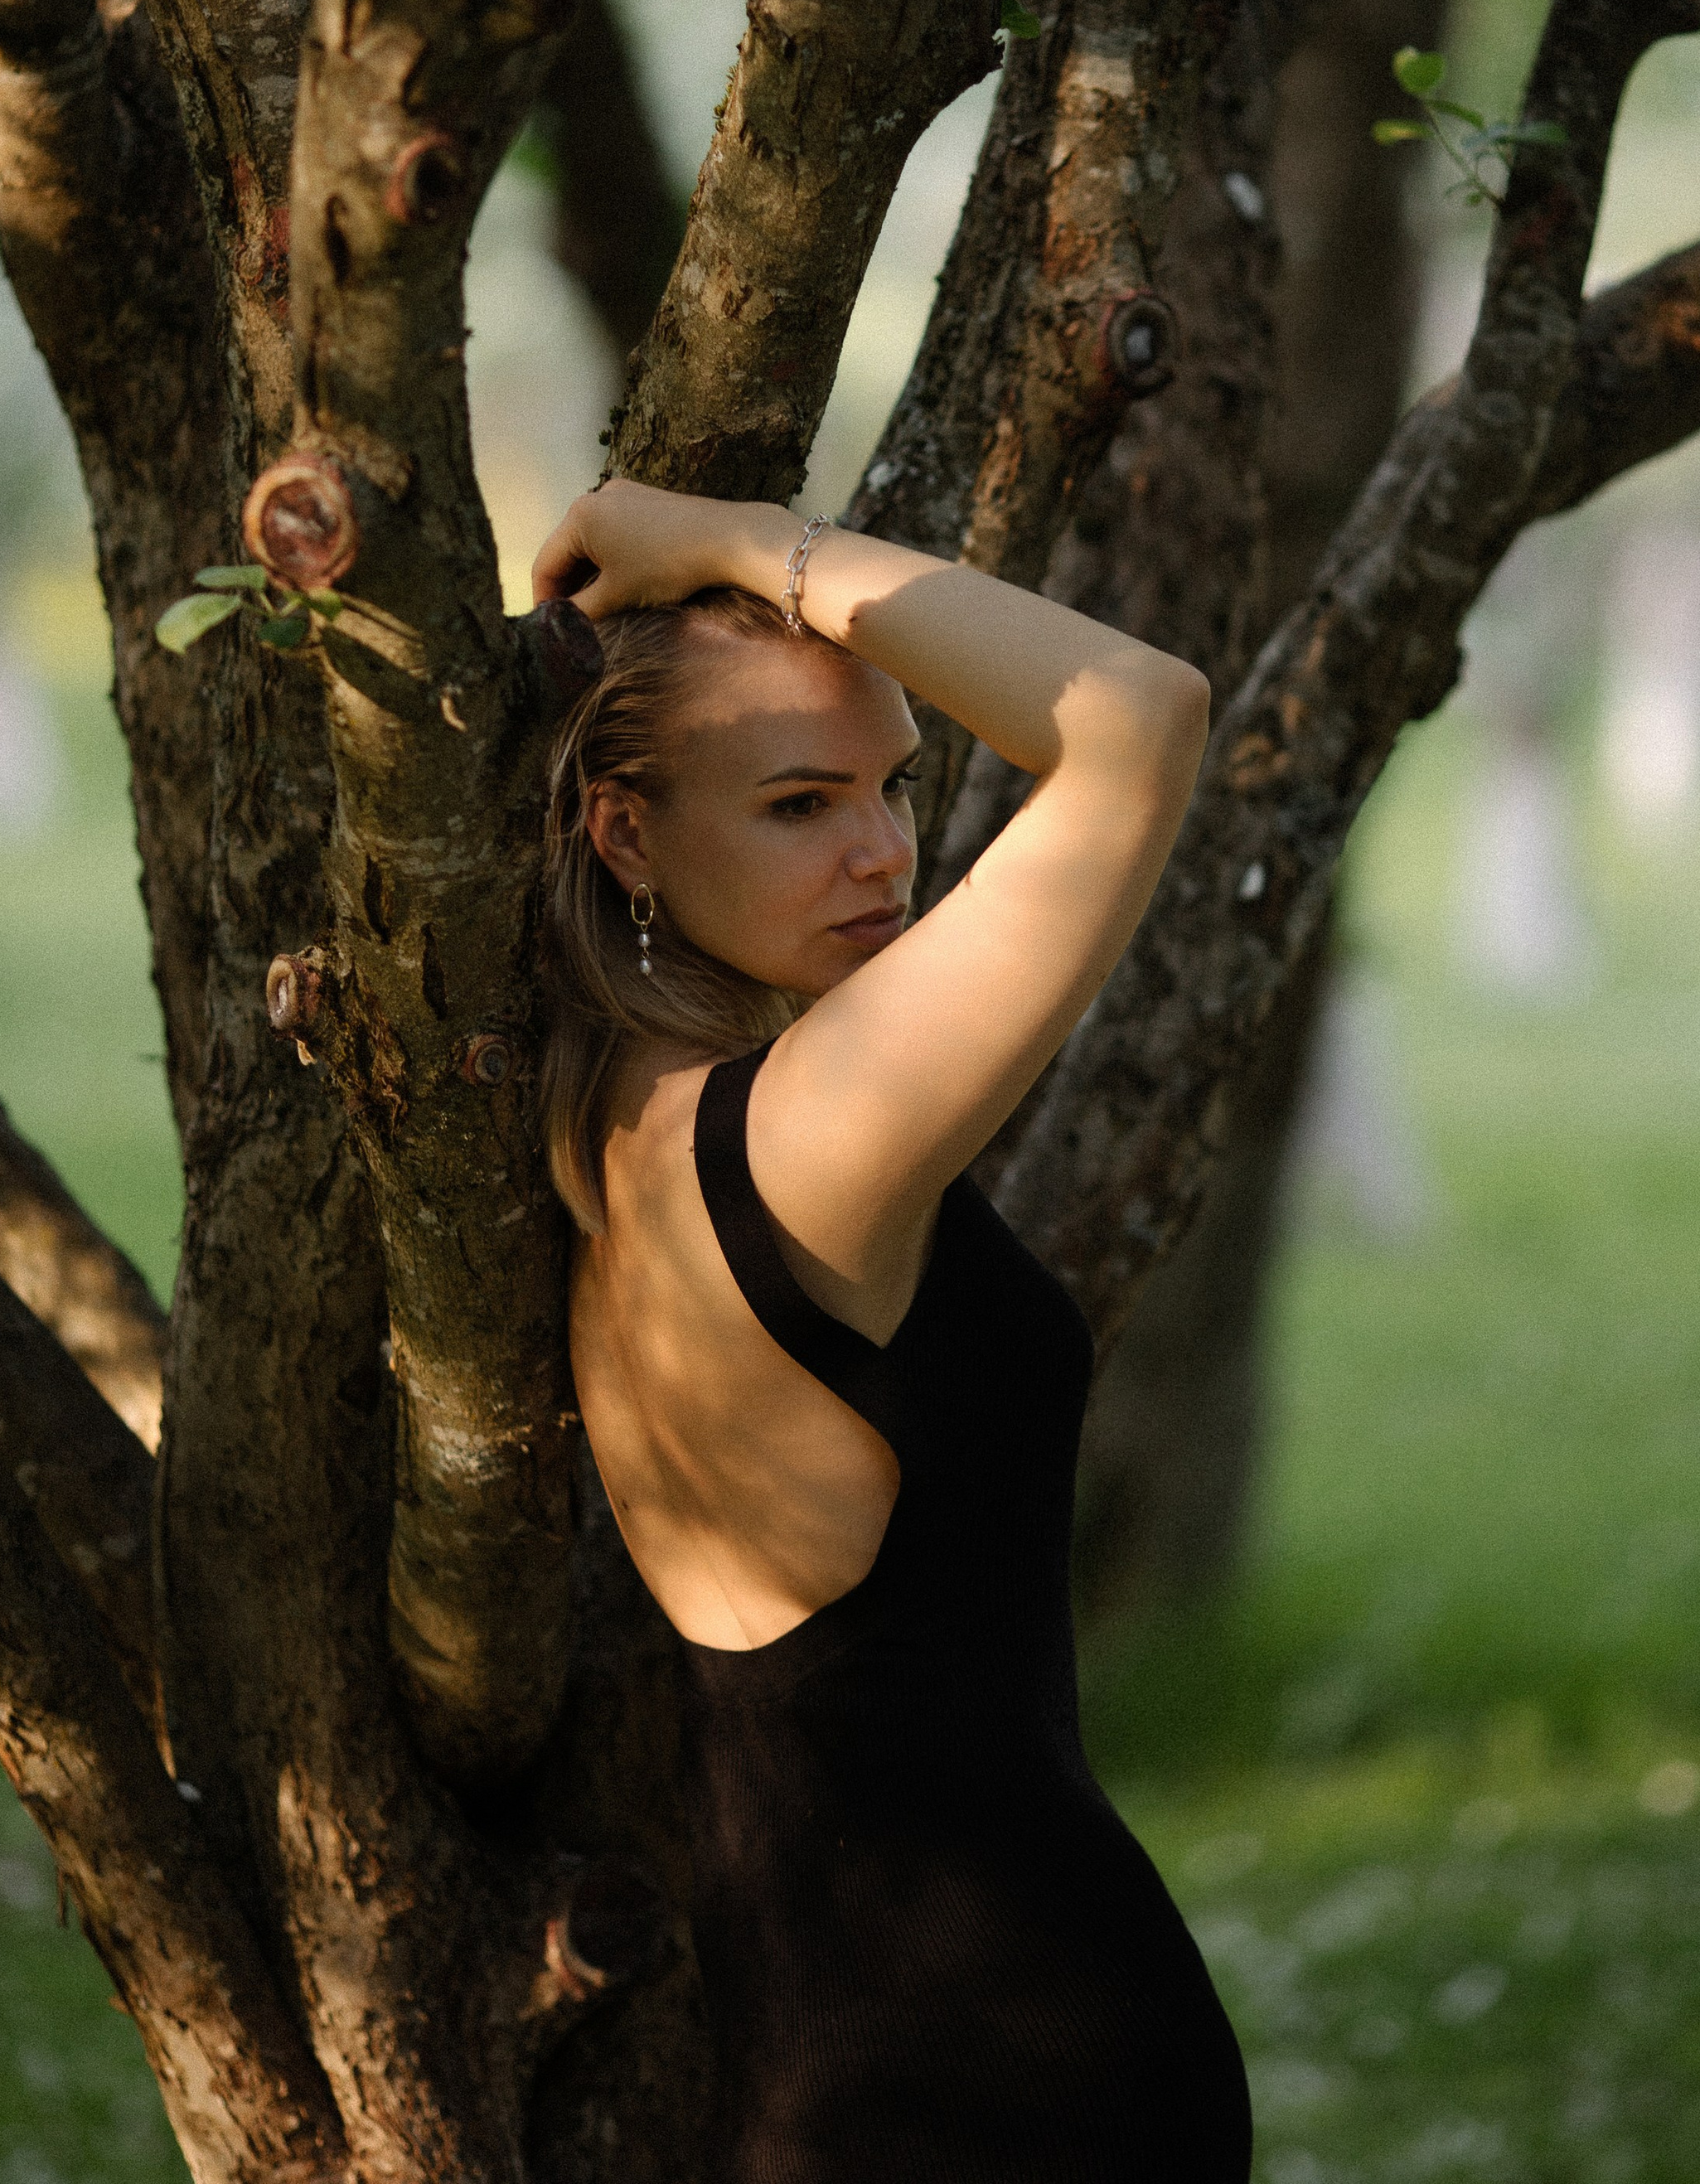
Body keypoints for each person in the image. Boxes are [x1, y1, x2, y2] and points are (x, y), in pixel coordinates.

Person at [532, 477, 1251, 2184]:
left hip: (831, 2080)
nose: (881, 854)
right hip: (1009, 2080)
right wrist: (727, 539)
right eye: (797, 803)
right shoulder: (801, 1142)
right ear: (623, 832)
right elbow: (1137, 718)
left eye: (893, 787)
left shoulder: (603, 1140)